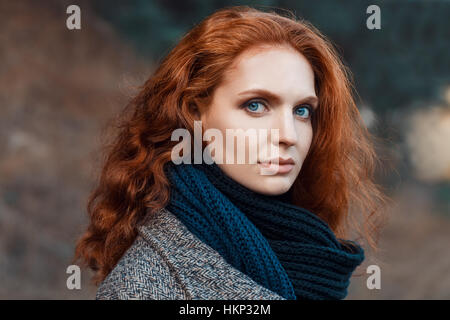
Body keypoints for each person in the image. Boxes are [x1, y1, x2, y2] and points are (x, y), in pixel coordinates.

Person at [73, 5, 388, 300]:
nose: (288, 135)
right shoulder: (141, 287)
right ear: (196, 113)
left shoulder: (311, 254)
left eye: (302, 111)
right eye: (256, 105)